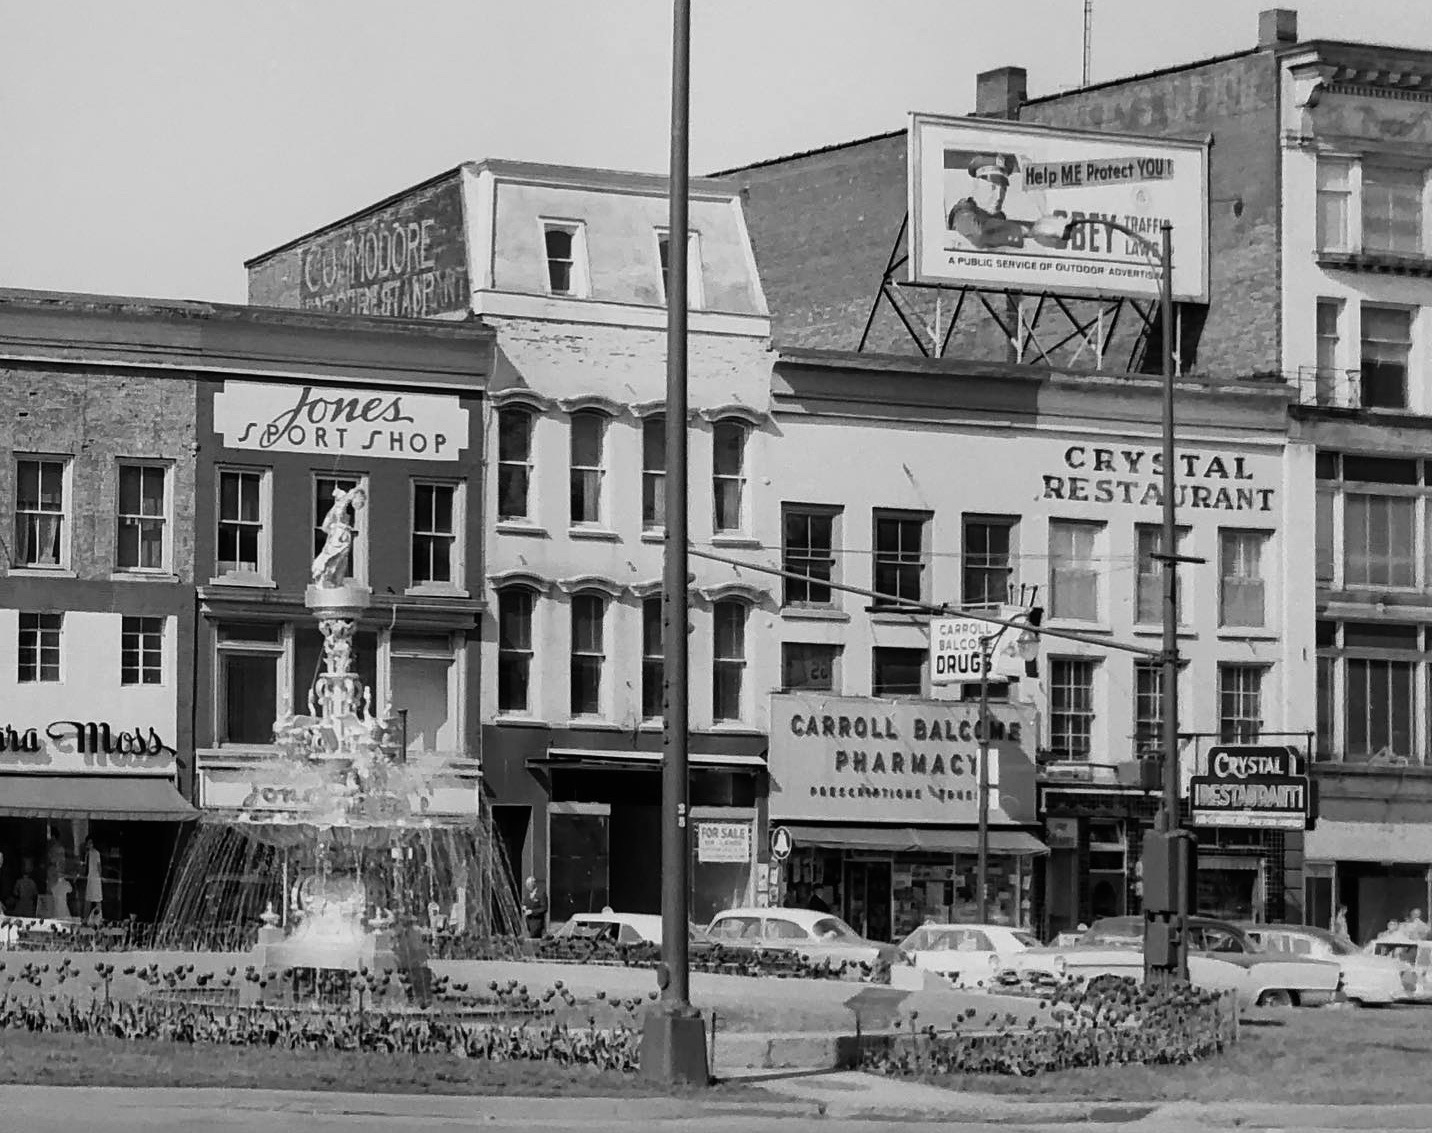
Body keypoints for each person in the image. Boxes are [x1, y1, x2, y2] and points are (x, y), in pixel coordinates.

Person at [946, 153, 1071, 252]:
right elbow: (980, 237)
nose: (999, 194)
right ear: (977, 185)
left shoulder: (998, 221)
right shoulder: (963, 213)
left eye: (1003, 187)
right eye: (993, 185)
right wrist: (1023, 231)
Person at [82, 837, 103, 922]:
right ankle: (85, 919)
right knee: (88, 899)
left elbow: (99, 866)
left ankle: (99, 919)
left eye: (90, 842)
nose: (89, 844)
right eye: (88, 842)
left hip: (96, 879)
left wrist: (100, 876)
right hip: (90, 878)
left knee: (97, 899)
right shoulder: (87, 854)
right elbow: (85, 866)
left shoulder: (97, 853)